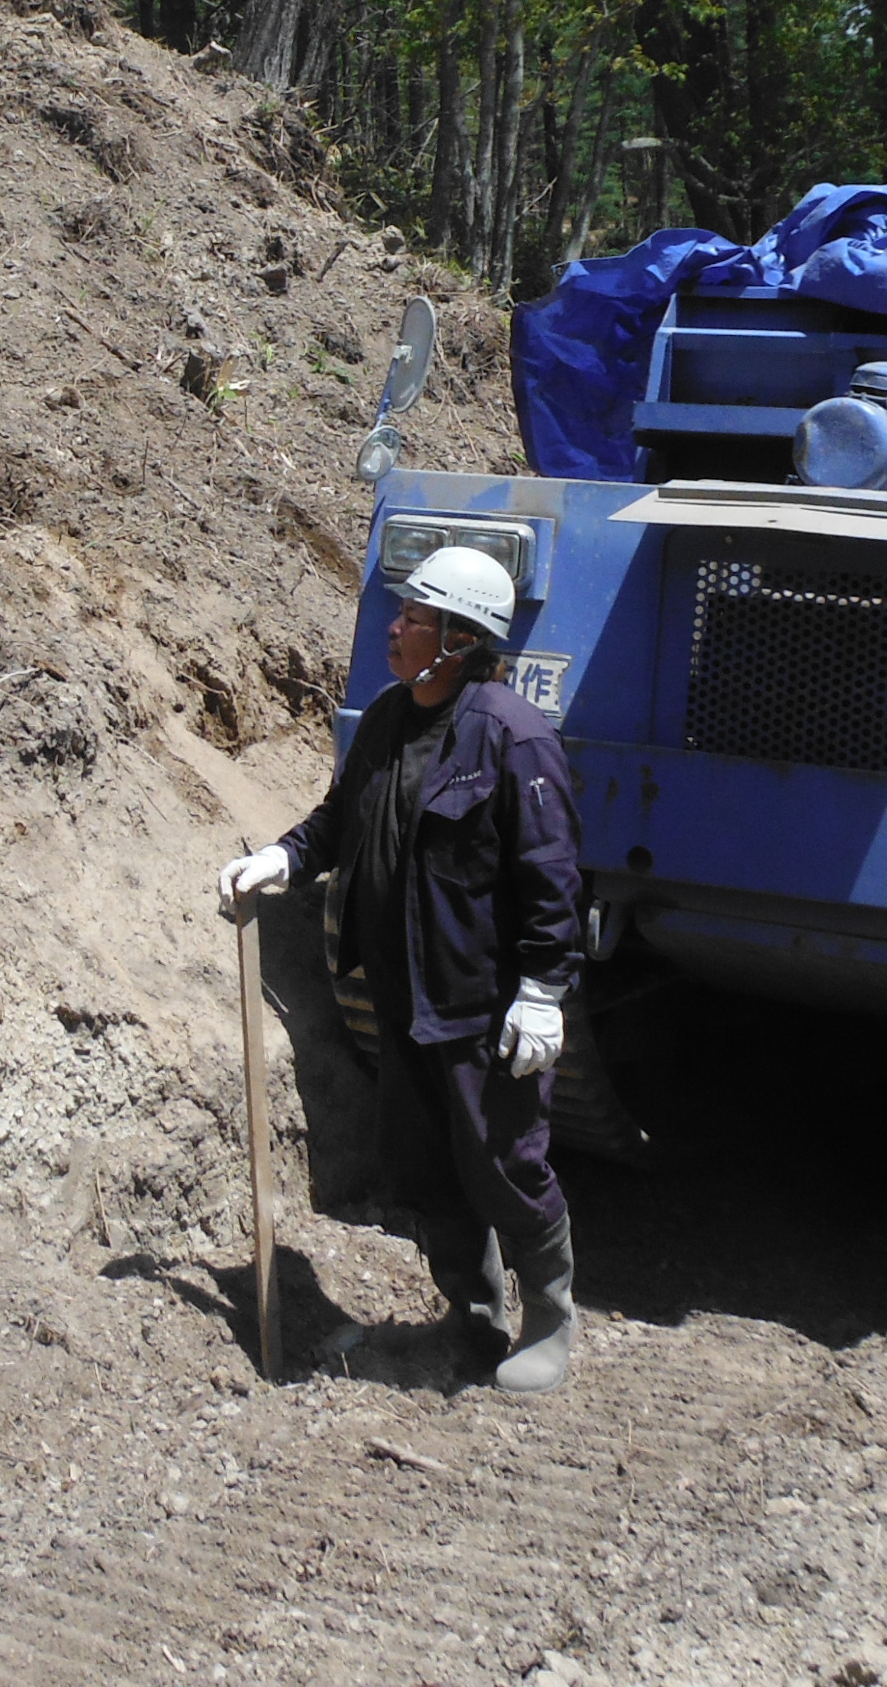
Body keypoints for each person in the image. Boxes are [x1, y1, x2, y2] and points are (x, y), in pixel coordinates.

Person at [217, 546, 586, 1393]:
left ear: (461, 639)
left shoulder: (511, 736)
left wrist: (541, 991)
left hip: (481, 1009)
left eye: (416, 618)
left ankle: (551, 1321)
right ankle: (473, 1315)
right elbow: (340, 820)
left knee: (504, 1165)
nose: (397, 628)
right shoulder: (387, 718)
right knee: (428, 1168)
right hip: (404, 1001)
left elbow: (553, 874)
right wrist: (281, 859)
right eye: (405, 613)